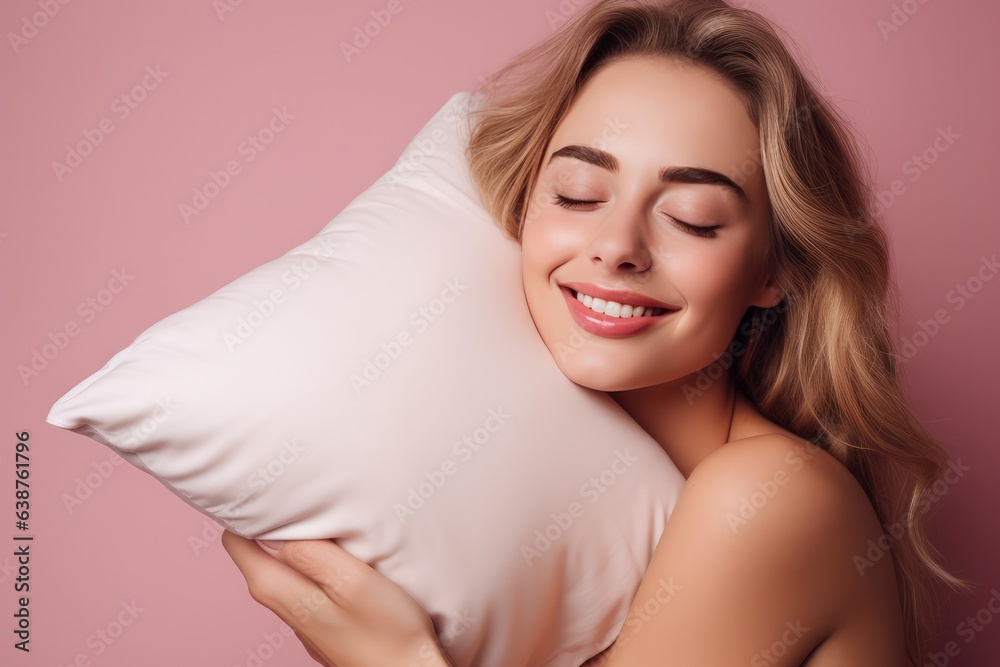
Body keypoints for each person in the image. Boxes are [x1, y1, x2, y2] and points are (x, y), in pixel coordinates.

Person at [222, 0, 967, 664]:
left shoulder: (771, 498)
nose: (618, 246)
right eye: (578, 194)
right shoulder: (554, 509)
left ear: (772, 269)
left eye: (692, 217)